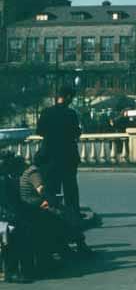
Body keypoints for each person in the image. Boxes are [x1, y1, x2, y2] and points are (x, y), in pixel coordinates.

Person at [36, 84, 82, 221]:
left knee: (51, 187)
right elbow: (76, 133)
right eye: (71, 98)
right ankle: (73, 214)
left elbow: (39, 131)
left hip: (50, 155)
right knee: (70, 188)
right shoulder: (71, 114)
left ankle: (51, 214)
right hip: (68, 155)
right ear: (67, 97)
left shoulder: (46, 112)